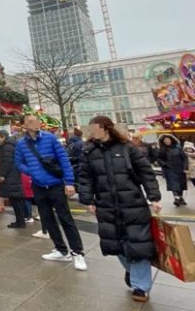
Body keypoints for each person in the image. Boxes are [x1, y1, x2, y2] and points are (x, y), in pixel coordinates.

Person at [79, 116, 162, 303]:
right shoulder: (89, 152)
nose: (91, 132)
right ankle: (132, 270)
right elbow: (85, 177)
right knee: (115, 244)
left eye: (94, 128)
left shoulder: (128, 148)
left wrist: (154, 196)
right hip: (106, 205)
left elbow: (145, 173)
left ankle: (140, 286)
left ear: (106, 128)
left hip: (132, 203)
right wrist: (87, 199)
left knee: (138, 243)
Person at [14, 115, 87, 271]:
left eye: (37, 121)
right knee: (47, 218)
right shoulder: (21, 144)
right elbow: (19, 163)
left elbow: (63, 160)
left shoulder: (50, 138)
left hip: (55, 184)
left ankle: (77, 252)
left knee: (65, 217)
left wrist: (68, 182)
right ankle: (61, 250)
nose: (36, 124)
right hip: (38, 186)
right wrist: (31, 171)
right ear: (25, 125)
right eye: (32, 122)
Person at [0, 130, 26, 228]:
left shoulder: (6, 147)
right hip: (14, 176)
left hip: (10, 177)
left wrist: (2, 175)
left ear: (2, 137)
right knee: (17, 200)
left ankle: (20, 222)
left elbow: (6, 162)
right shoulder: (12, 145)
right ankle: (20, 221)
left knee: (15, 200)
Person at [158, 134, 188, 206]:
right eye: (165, 140)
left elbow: (184, 158)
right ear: (163, 142)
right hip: (169, 169)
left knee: (181, 185)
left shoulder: (178, 148)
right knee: (173, 184)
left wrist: (185, 168)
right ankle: (176, 198)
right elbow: (159, 159)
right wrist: (164, 164)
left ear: (171, 139)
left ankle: (181, 198)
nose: (167, 141)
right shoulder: (162, 150)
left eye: (168, 139)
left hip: (180, 169)